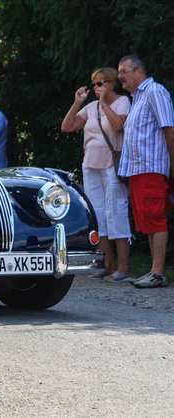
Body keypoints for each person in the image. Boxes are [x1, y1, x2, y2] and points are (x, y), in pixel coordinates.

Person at [61, 67, 132, 283]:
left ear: (112, 84)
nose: (96, 88)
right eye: (94, 84)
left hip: (111, 165)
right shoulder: (91, 107)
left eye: (100, 83)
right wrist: (77, 103)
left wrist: (104, 105)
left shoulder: (122, 102)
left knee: (116, 212)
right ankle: (106, 264)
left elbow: (119, 126)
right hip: (90, 165)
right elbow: (67, 126)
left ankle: (124, 268)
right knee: (98, 214)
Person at [117, 55, 174, 289]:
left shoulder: (155, 92)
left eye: (124, 72)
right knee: (147, 221)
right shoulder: (137, 98)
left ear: (139, 70)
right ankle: (154, 270)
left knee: (155, 218)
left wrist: (172, 163)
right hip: (138, 171)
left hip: (152, 168)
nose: (119, 77)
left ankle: (158, 273)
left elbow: (169, 128)